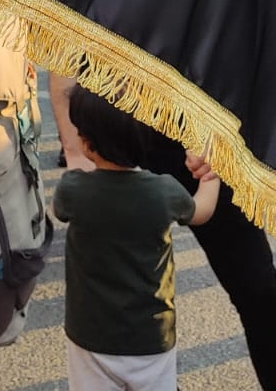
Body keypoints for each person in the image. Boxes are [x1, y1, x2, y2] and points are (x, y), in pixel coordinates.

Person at [51, 68, 276, 390]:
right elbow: (63, 41)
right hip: (114, 123)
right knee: (107, 299)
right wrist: (74, 149)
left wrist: (220, 142)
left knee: (258, 292)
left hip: (206, 131)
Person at [53, 87, 219, 391]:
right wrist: (212, 176)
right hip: (152, 334)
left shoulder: (73, 191)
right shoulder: (163, 191)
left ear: (87, 143)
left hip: (90, 334)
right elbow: (202, 211)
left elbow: (61, 211)